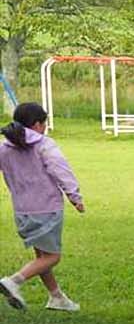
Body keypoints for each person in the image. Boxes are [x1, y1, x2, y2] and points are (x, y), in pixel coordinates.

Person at [0, 103, 84, 313]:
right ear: (37, 124)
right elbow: (61, 170)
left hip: (22, 211)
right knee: (52, 257)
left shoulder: (5, 148)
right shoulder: (44, 145)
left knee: (42, 257)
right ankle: (13, 281)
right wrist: (75, 196)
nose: (45, 128)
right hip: (46, 209)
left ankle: (57, 297)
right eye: (44, 124)